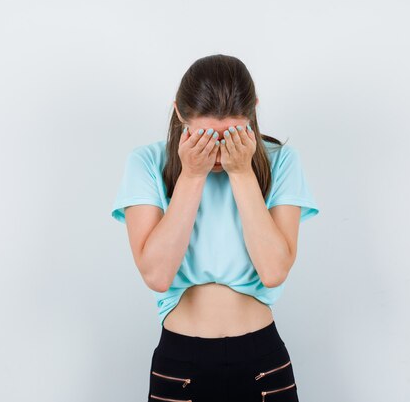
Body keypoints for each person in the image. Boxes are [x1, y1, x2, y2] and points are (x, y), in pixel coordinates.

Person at [111, 54, 320, 402]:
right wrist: (192, 175)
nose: (219, 150)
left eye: (233, 134)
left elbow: (274, 270)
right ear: (180, 113)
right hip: (180, 363)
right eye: (206, 135)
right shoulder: (146, 163)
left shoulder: (282, 160)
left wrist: (242, 173)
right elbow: (157, 275)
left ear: (252, 112)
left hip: (262, 360)